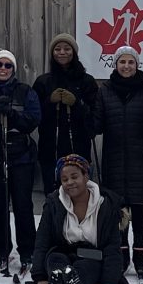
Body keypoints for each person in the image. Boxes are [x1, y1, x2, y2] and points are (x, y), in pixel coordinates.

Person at [93, 45, 143, 275]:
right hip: (113, 156)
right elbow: (98, 122)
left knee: (139, 208)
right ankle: (121, 256)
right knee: (118, 209)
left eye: (130, 62)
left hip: (139, 156)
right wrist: (88, 119)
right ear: (116, 65)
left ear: (137, 65)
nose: (126, 66)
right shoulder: (105, 90)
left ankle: (140, 255)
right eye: (122, 62)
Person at [31, 155, 132, 284]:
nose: (69, 182)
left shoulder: (106, 205)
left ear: (86, 176)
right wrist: (39, 276)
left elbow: (113, 249)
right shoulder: (54, 203)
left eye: (74, 177)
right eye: (64, 179)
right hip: (63, 253)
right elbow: (42, 241)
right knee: (55, 258)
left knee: (83, 266)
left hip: (92, 258)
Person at [0, 49, 42, 271]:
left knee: (22, 205)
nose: (3, 69)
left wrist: (13, 115)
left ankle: (27, 251)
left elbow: (33, 120)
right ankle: (1, 251)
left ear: (13, 69)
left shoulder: (25, 91)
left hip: (21, 155)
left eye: (7, 65)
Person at [32, 34, 98, 193]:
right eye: (57, 49)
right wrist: (49, 102)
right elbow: (34, 116)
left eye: (67, 49)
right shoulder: (43, 82)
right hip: (50, 150)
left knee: (79, 195)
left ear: (74, 52)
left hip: (78, 148)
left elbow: (94, 117)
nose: (62, 52)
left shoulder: (86, 81)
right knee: (53, 195)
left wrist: (76, 103)